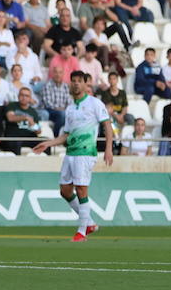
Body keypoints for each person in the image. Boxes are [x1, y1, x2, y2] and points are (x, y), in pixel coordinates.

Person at [30, 72, 115, 241]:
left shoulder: (94, 103)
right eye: (73, 81)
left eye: (79, 81)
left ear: (85, 84)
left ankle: (82, 231)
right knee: (65, 190)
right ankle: (89, 222)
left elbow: (107, 125)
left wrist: (108, 149)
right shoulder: (70, 108)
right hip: (70, 152)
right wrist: (48, 143)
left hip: (86, 152)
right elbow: (66, 135)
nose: (76, 84)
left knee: (81, 189)